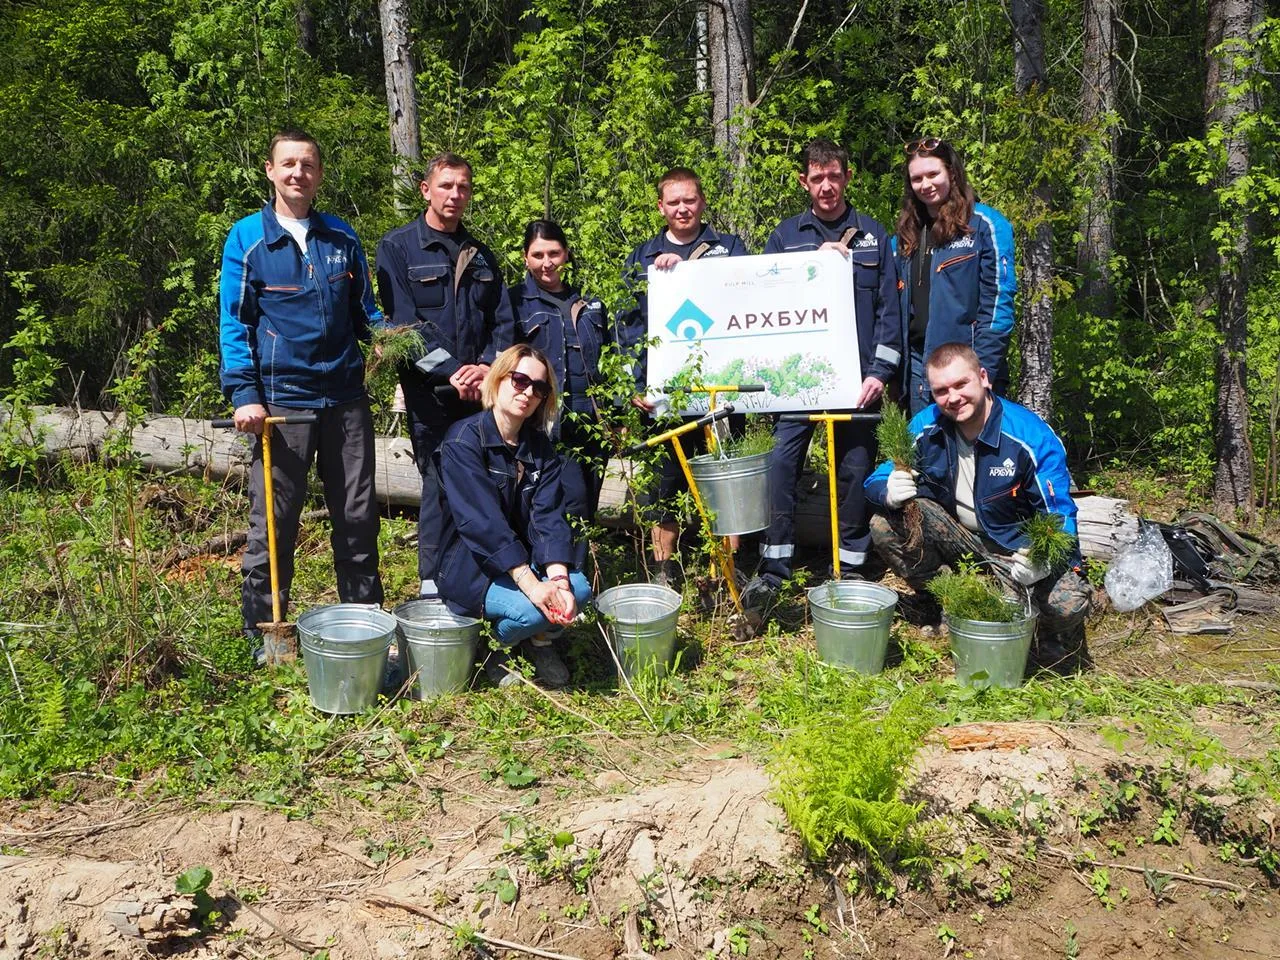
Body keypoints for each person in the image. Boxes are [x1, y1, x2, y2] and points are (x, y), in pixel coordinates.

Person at [218, 129, 384, 658]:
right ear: (270, 171)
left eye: (308, 165)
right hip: (281, 403)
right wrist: (245, 394)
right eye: (288, 164)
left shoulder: (341, 237)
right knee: (274, 521)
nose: (298, 173)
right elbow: (235, 323)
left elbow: (367, 314)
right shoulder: (247, 239)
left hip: (345, 398)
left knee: (357, 515)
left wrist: (407, 345)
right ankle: (266, 633)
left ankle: (364, 623)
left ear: (319, 174)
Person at [741, 138, 902, 610]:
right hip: (798, 383)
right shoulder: (784, 237)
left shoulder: (873, 235)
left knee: (854, 470)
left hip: (857, 383)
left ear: (848, 177)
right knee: (781, 466)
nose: (827, 186)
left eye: (834, 176)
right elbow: (762, 306)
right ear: (804, 182)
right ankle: (774, 568)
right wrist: (813, 264)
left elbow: (889, 311)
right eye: (817, 178)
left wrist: (879, 373)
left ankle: (851, 568)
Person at [865, 343, 1092, 671]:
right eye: (941, 391)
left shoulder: (1029, 435)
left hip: (1014, 550)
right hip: (958, 537)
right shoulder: (926, 426)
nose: (953, 397)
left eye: (961, 384)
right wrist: (887, 490)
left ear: (983, 378)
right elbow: (876, 478)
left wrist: (1043, 558)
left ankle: (1042, 630)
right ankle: (943, 598)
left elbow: (1059, 515)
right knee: (884, 524)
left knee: (1067, 604)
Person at [376, 153, 514, 600]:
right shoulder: (398, 247)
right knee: (439, 480)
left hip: (481, 391)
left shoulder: (480, 253)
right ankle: (432, 583)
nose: (455, 195)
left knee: (486, 479)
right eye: (446, 186)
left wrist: (488, 367)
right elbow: (403, 325)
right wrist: (452, 371)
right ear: (426, 190)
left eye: (463, 187)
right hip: (431, 392)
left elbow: (502, 320)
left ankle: (480, 577)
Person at [619, 167, 750, 585]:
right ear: (661, 207)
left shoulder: (730, 249)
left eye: (689, 200)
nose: (682, 209)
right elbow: (626, 327)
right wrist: (634, 386)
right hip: (664, 394)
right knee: (664, 481)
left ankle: (726, 571)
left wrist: (688, 273)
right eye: (673, 202)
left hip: (721, 391)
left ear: (702, 202)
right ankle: (665, 569)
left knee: (725, 477)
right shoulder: (642, 258)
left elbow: (748, 299)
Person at [436, 345, 593, 689]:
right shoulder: (463, 441)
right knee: (528, 610)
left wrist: (558, 582)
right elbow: (482, 525)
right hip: (472, 567)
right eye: (520, 380)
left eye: (539, 388)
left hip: (524, 560)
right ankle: (496, 645)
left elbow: (549, 517)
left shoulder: (538, 447)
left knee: (579, 590)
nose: (528, 392)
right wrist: (534, 587)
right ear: (497, 379)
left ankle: (539, 641)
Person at [510, 220, 620, 563]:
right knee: (561, 503)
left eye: (554, 253)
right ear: (525, 258)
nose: (547, 263)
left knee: (585, 505)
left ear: (566, 254)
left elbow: (611, 361)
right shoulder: (514, 303)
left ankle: (574, 576)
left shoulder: (589, 303)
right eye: (538, 255)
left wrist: (616, 415)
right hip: (543, 421)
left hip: (592, 423)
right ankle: (555, 576)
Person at [894, 137, 1016, 413]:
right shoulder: (905, 236)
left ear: (951, 172)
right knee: (924, 442)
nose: (926, 184)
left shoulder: (985, 225)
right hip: (918, 372)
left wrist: (982, 370)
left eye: (933, 174)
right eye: (917, 179)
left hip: (967, 372)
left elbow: (999, 305)